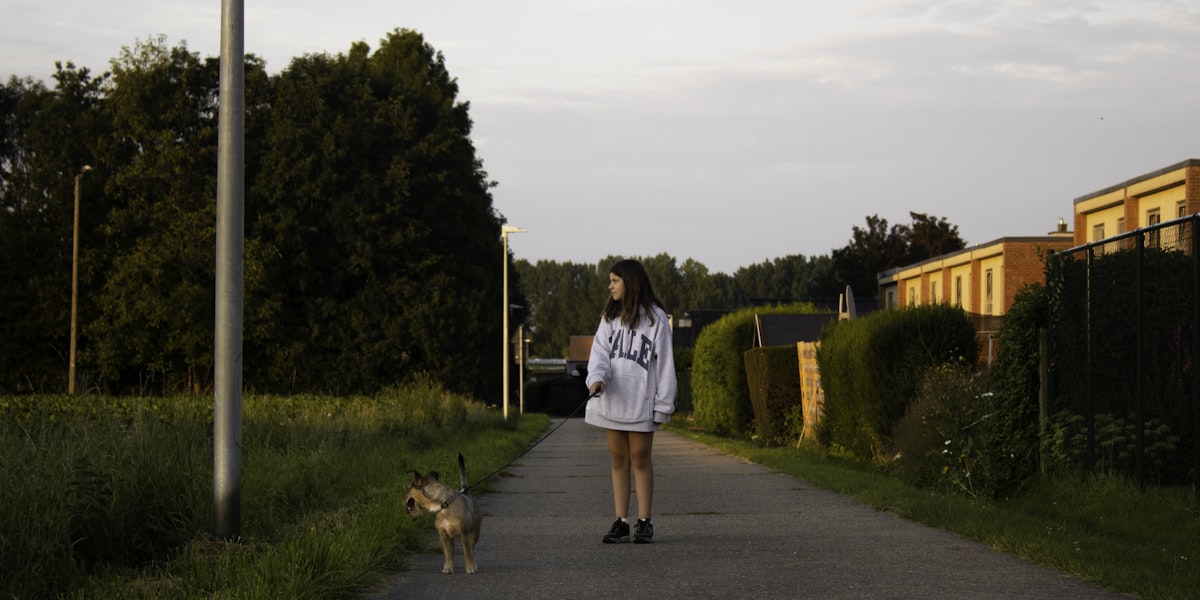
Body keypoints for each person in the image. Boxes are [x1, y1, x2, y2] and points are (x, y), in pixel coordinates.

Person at [584, 259, 677, 544]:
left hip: (640, 403)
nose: (610, 286)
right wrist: (596, 378)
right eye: (610, 281)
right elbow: (599, 352)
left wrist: (663, 404)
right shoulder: (610, 317)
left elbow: (665, 366)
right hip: (612, 400)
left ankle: (645, 521)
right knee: (618, 459)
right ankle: (621, 521)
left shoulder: (655, 318)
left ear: (631, 283)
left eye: (615, 280)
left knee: (640, 457)